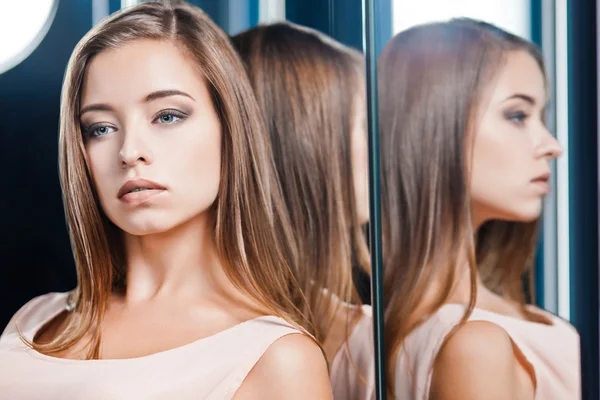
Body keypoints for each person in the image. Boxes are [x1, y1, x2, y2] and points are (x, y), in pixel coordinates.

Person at [0, 2, 332, 399]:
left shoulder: (276, 359)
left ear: (229, 127)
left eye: (167, 116)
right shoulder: (34, 320)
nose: (129, 151)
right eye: (101, 127)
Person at [378, 18, 580, 399]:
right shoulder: (475, 344)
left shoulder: (481, 326)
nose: (552, 145)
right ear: (437, 126)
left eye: (542, 117)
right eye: (517, 115)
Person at [232, 22, 374, 399]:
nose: (381, 151)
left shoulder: (373, 345)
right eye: (364, 126)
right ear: (308, 145)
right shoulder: (370, 349)